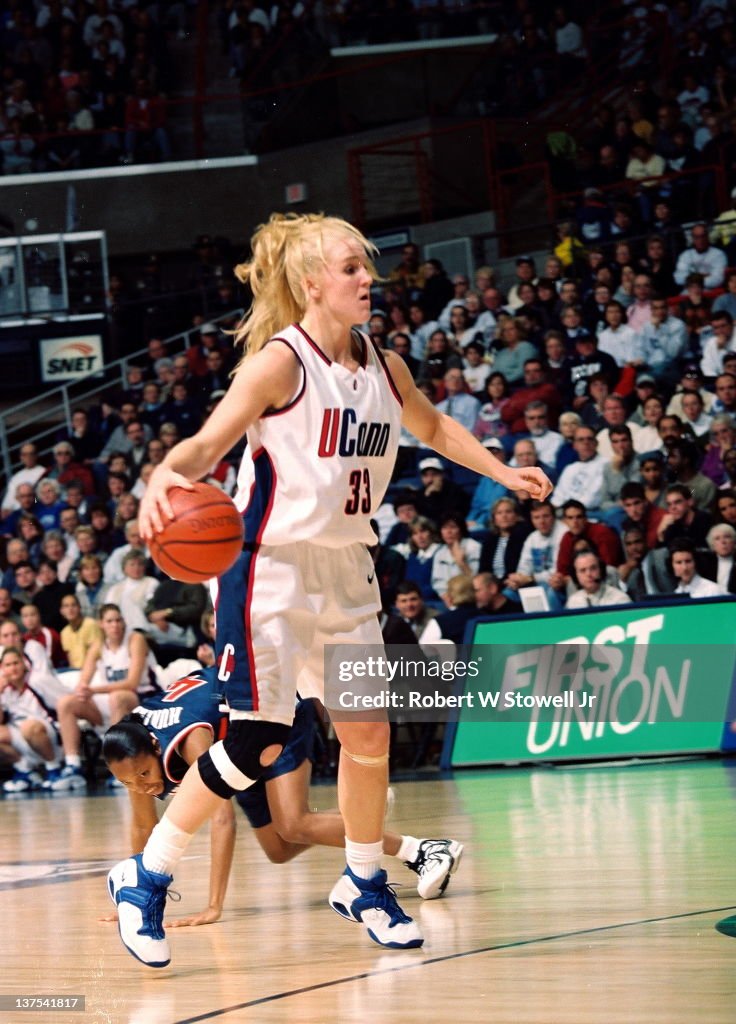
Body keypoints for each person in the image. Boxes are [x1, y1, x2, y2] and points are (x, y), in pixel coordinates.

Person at [108, 212, 551, 966]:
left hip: (347, 567)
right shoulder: (281, 364)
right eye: (350, 268)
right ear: (313, 282)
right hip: (270, 569)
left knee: (369, 737)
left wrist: (505, 471)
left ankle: (366, 883)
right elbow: (207, 444)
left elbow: (436, 427)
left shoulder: (382, 362)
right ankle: (147, 875)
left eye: (366, 267)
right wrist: (164, 475)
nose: (366, 279)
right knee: (254, 743)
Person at [102, 666, 461, 928]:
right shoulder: (131, 751)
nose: (142, 786)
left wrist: (214, 906)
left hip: (273, 714)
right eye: (128, 783)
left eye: (145, 775)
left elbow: (222, 818)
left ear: (155, 746)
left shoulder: (189, 738)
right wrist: (134, 896)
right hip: (238, 738)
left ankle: (422, 850)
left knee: (294, 824)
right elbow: (144, 826)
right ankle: (360, 810)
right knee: (279, 848)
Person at [53, 603, 160, 791]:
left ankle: (121, 766)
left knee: (117, 697)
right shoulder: (98, 645)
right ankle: (73, 765)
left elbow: (132, 683)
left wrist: (94, 691)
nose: (115, 625)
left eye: (118, 620)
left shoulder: (136, 639)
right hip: (110, 701)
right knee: (66, 703)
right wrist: (82, 690)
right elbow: (83, 680)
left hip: (142, 698)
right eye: (110, 621)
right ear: (101, 624)